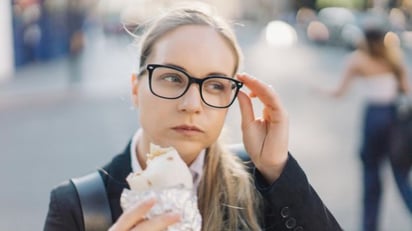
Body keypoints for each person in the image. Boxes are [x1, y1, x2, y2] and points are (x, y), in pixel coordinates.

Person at [44, 3, 342, 231]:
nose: (191, 104)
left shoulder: (262, 183)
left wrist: (277, 170)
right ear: (136, 89)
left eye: (214, 85)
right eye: (172, 78)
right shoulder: (79, 207)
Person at [326, 26, 411, 231]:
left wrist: (318, 91)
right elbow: (408, 92)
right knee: (400, 175)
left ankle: (369, 227)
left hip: (373, 116)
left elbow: (339, 92)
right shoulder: (394, 61)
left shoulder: (357, 60)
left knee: (371, 174)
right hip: (394, 118)